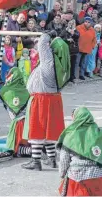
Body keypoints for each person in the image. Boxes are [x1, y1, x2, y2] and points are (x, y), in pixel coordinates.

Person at [21, 32, 68, 171]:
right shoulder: (61, 64)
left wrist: (46, 34)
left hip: (43, 99)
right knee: (49, 130)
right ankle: (52, 159)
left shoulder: (50, 63)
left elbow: (42, 45)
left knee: (37, 129)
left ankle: (35, 161)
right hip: (52, 99)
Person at [58, 107, 102, 196]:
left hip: (77, 176)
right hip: (98, 176)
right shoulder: (101, 133)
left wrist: (62, 175)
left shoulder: (69, 136)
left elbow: (64, 161)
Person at [2, 68, 31, 157]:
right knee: (27, 142)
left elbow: (0, 96)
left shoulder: (5, 91)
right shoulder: (27, 91)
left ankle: (30, 151)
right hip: (29, 123)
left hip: (18, 124)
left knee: (14, 148)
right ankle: (33, 149)